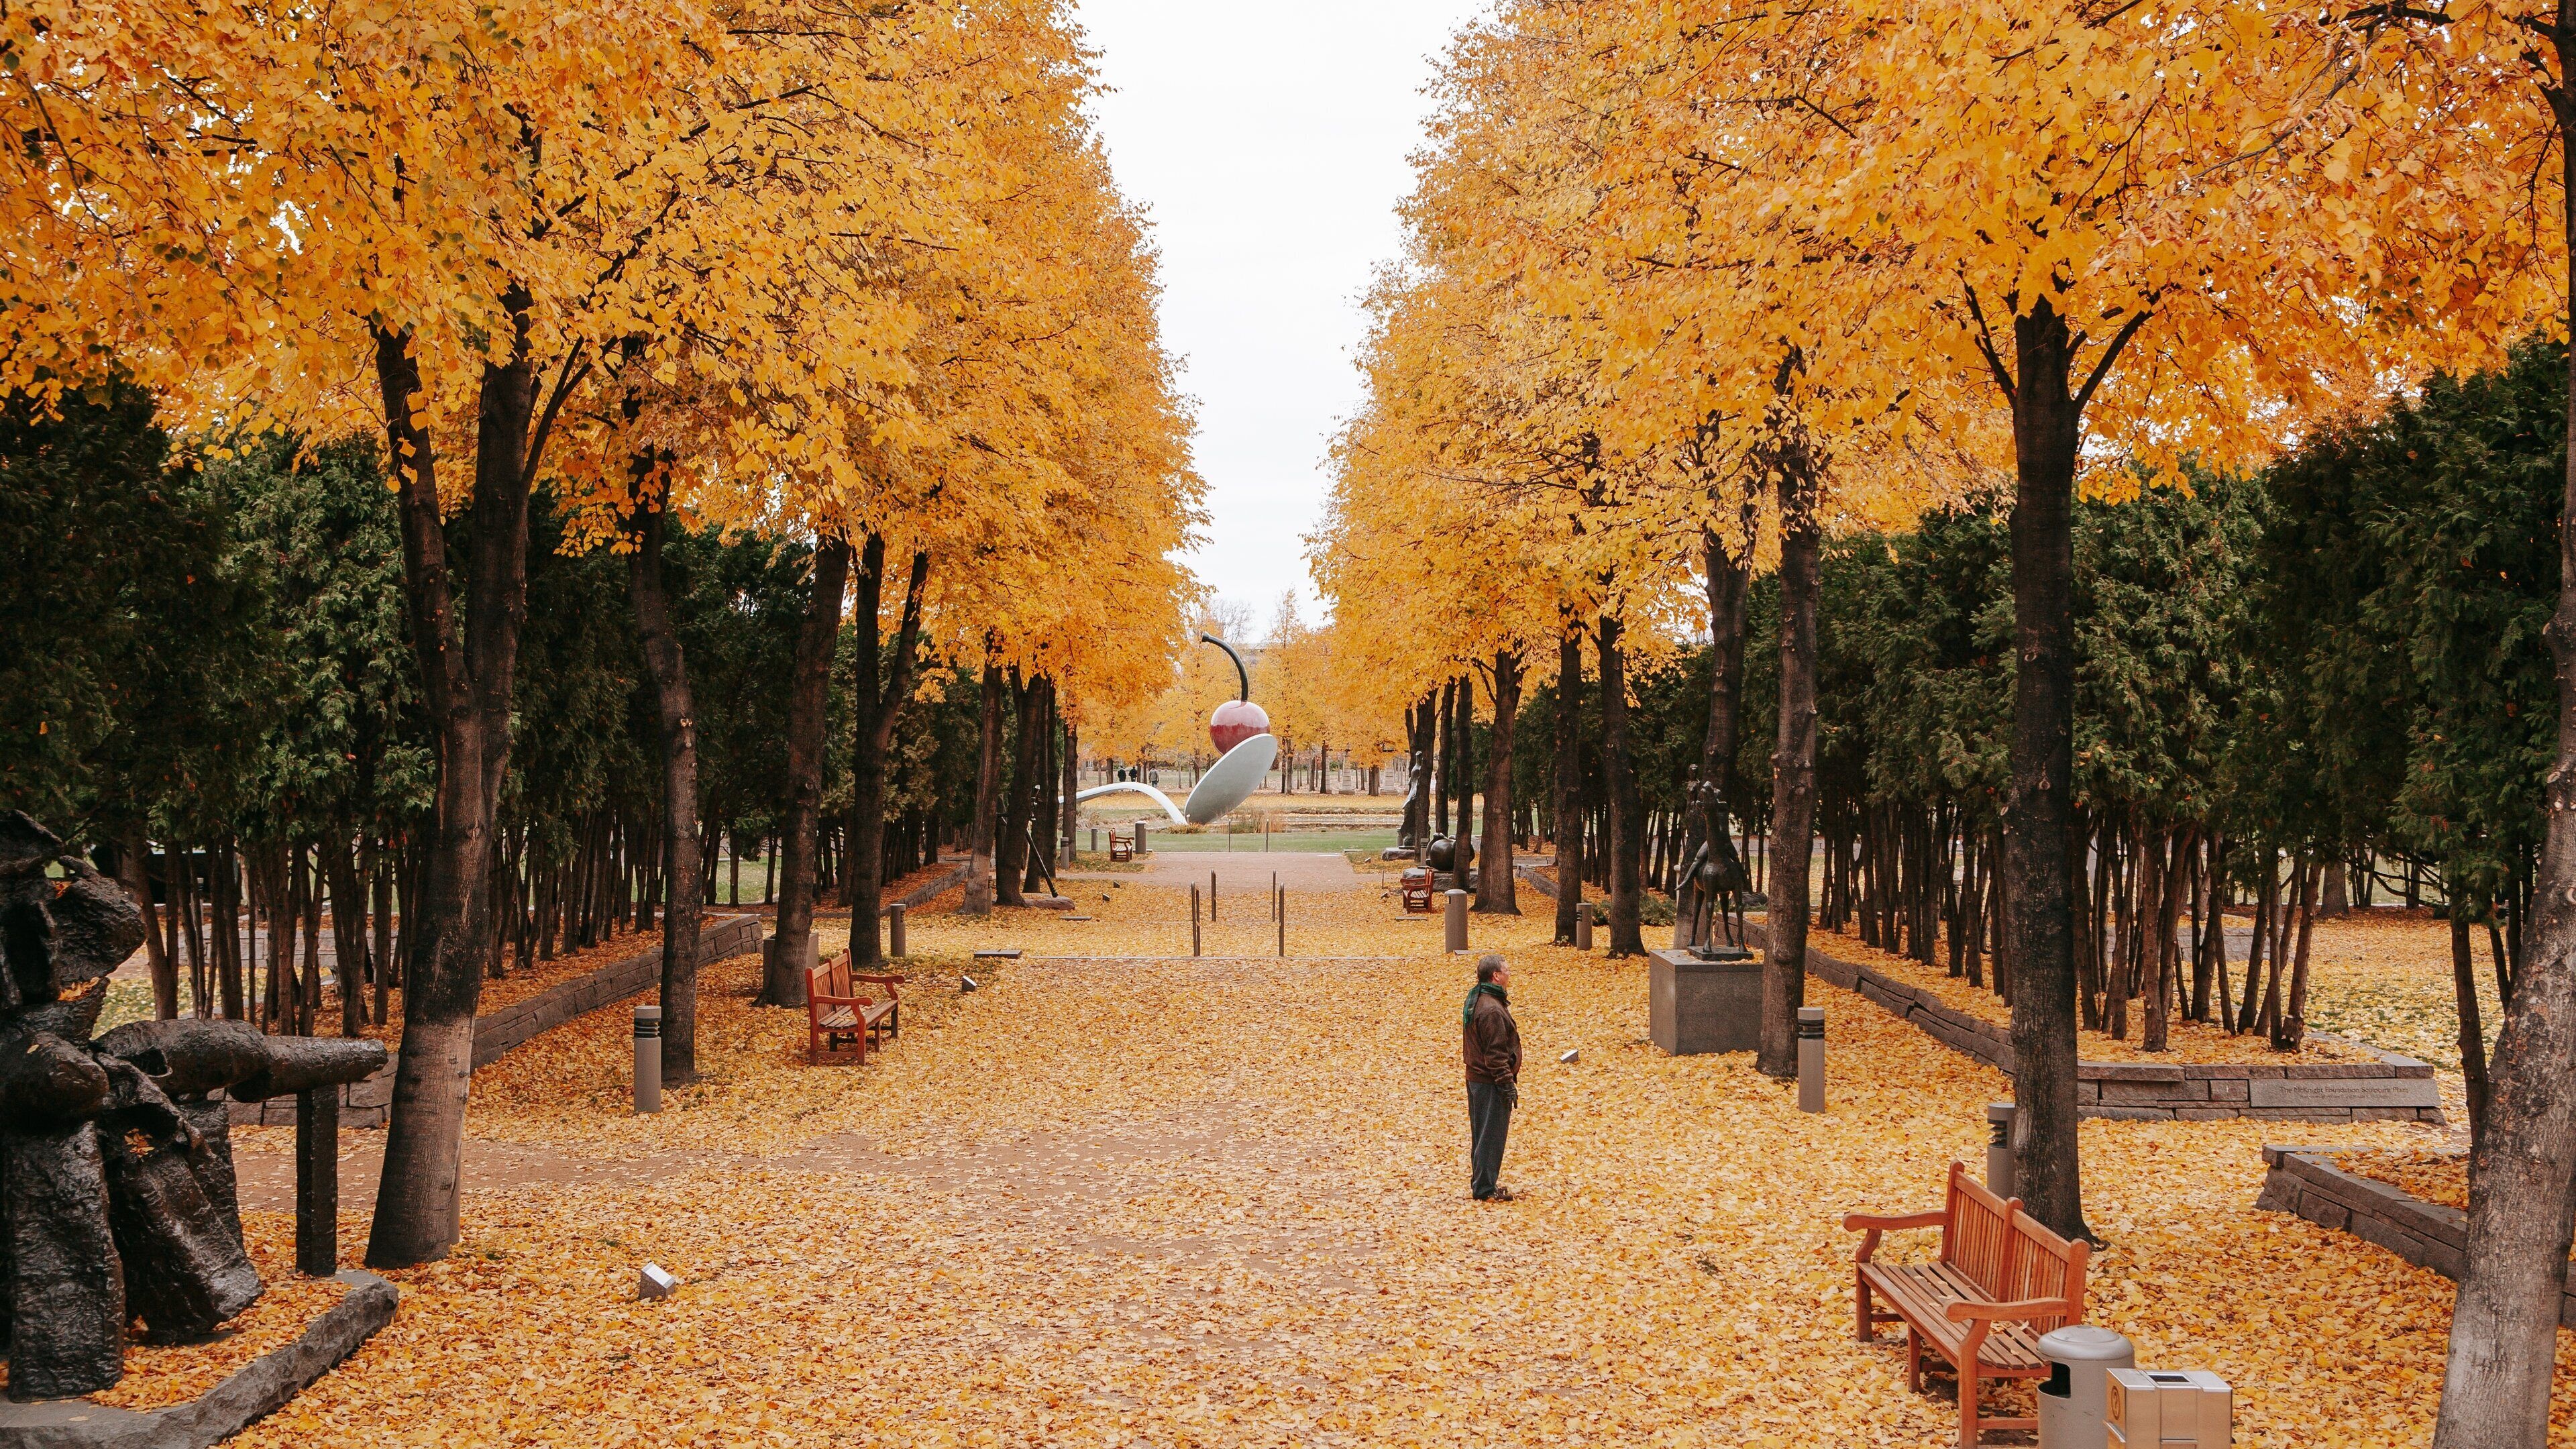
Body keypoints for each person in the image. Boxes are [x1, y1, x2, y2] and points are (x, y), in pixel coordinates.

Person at [1462, 953, 1521, 1202]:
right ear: (1496, 976)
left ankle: (1482, 1183)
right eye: (1506, 970)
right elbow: (1495, 1055)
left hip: (1478, 1078)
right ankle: (1485, 1189)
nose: (1509, 973)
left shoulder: (1479, 998)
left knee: (1482, 1132)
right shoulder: (1491, 1010)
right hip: (1489, 1081)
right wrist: (1507, 1084)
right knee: (1491, 1135)